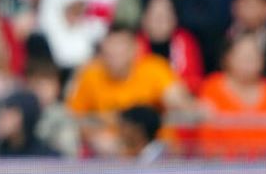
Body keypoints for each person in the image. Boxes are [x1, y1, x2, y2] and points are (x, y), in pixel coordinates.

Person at [68, 24, 192, 157]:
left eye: (119, 50)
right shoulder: (91, 75)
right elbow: (73, 118)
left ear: (134, 49)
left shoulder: (154, 69)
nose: (114, 56)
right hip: (111, 155)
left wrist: (177, 101)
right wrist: (95, 136)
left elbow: (181, 102)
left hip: (156, 151)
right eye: (109, 52)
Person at [197, 32, 266, 160]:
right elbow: (204, 138)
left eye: (253, 56)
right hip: (223, 172)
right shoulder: (211, 88)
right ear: (227, 57)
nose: (248, 62)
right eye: (243, 56)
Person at [139, 0, 205, 95]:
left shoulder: (185, 41)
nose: (160, 21)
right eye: (155, 15)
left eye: (165, 15)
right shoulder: (135, 45)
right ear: (144, 19)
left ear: (175, 19)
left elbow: (194, 81)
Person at [0, 91, 57, 157]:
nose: (0, 121)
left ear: (26, 117)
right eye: (0, 115)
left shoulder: (48, 158)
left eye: (7, 115)